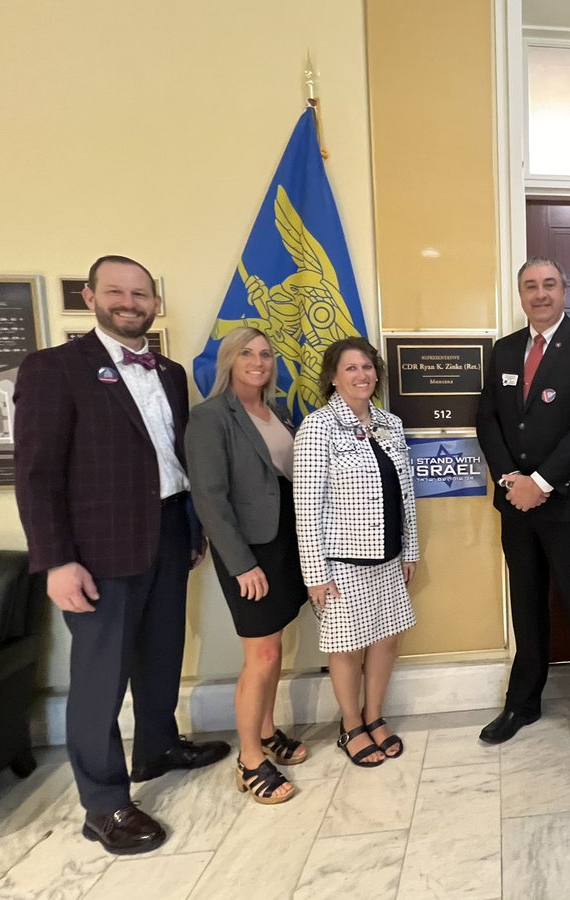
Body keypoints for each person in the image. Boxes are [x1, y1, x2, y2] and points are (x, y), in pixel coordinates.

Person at [13, 255, 229, 855]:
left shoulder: (169, 371)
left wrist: (191, 530)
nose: (130, 302)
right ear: (91, 297)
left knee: (162, 655)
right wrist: (56, 561)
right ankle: (104, 804)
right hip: (96, 551)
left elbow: (176, 459)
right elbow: (36, 475)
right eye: (117, 292)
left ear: (155, 303)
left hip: (167, 531)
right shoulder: (54, 369)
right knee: (99, 678)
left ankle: (157, 746)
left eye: (141, 293)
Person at [475, 256, 570, 773]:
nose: (540, 294)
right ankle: (523, 702)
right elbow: (487, 418)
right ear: (520, 296)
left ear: (564, 290)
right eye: (530, 286)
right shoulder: (505, 350)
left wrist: (540, 482)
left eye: (549, 285)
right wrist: (510, 480)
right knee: (527, 607)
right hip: (517, 507)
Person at [185, 326, 308, 805]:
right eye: (246, 354)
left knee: (274, 647)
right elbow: (210, 498)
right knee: (260, 655)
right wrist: (240, 565)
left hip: (283, 543)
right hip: (248, 553)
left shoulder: (275, 411)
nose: (258, 361)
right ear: (229, 361)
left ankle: (267, 728)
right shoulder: (211, 417)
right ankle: (250, 760)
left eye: (265, 354)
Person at [293, 336, 418, 768]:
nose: (362, 375)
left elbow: (406, 495)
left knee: (386, 637)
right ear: (333, 377)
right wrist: (315, 573)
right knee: (347, 645)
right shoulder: (318, 427)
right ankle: (350, 724)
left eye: (367, 367)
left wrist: (411, 551)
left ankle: (374, 715)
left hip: (390, 556)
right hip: (342, 562)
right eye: (351, 368)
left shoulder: (390, 423)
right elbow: (306, 507)